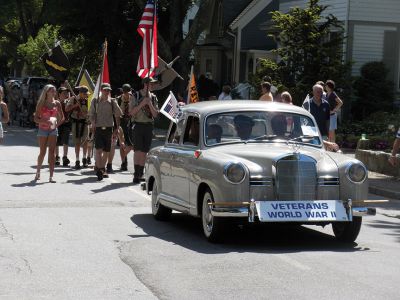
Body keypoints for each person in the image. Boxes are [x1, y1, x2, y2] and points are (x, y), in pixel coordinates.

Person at [89, 83, 122, 181]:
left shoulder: (112, 101)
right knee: (99, 150)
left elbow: (118, 114)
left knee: (107, 151)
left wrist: (117, 127)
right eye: (105, 90)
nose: (107, 92)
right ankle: (100, 170)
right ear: (101, 90)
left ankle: (102, 167)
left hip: (109, 129)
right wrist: (93, 123)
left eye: (108, 90)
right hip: (98, 128)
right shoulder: (95, 101)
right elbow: (91, 114)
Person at [129, 77, 159, 184]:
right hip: (138, 125)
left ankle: (141, 173)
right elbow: (131, 112)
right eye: (151, 84)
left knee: (144, 151)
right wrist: (142, 103)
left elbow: (155, 114)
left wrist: (149, 103)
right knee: (137, 150)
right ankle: (136, 174)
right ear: (145, 85)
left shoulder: (154, 97)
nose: (153, 85)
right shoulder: (136, 96)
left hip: (148, 126)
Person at [33, 84, 64, 182]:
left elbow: (62, 117)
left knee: (52, 152)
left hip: (53, 130)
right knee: (42, 152)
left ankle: (51, 176)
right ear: (46, 92)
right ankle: (38, 172)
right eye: (51, 91)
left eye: (54, 91)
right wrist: (45, 122)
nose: (53, 92)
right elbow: (35, 119)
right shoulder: (41, 103)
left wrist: (56, 124)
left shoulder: (57, 103)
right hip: (42, 129)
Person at [66, 86, 90, 169]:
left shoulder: (88, 100)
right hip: (76, 123)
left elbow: (91, 111)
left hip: (85, 123)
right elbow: (66, 109)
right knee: (77, 142)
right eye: (85, 94)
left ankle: (84, 158)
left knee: (85, 141)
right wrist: (75, 105)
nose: (86, 95)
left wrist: (88, 116)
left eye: (86, 94)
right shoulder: (73, 99)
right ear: (80, 93)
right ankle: (77, 160)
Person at [117, 83, 135, 171]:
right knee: (122, 144)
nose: (126, 94)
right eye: (124, 92)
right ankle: (124, 162)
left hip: (132, 123)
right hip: (122, 123)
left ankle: (124, 158)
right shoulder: (119, 100)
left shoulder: (134, 98)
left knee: (132, 145)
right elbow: (118, 113)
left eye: (127, 92)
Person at [55, 87, 72, 166]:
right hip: (57, 124)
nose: (66, 95)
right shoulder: (56, 103)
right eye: (64, 93)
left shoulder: (68, 102)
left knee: (66, 141)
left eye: (66, 93)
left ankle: (65, 157)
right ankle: (57, 157)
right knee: (56, 142)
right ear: (59, 94)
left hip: (66, 123)